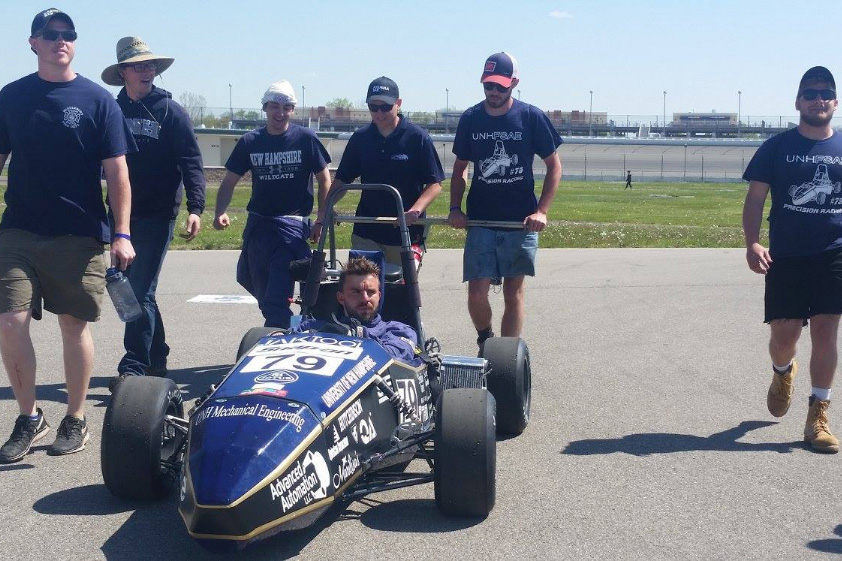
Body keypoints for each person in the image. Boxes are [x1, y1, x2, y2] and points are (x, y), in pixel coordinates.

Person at [0, 9, 135, 463]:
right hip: (18, 229)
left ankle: (75, 417)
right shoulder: (12, 97)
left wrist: (122, 232)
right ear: (33, 43)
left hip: (78, 233)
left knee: (73, 326)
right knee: (9, 321)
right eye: (51, 34)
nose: (61, 40)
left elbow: (117, 171)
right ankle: (29, 417)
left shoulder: (98, 101)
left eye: (68, 35)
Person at [742, 65, 842, 454]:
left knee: (826, 331)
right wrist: (753, 243)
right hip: (787, 255)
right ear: (798, 101)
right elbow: (755, 200)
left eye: (825, 93)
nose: (818, 99)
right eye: (811, 93)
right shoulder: (776, 147)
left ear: (835, 102)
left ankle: (819, 414)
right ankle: (783, 372)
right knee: (785, 338)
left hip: (834, 254)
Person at [101, 37, 206, 390]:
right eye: (138, 66)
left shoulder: (171, 112)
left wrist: (196, 208)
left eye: (151, 66)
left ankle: (133, 365)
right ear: (124, 73)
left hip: (160, 212)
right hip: (121, 215)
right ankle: (156, 355)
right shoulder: (112, 111)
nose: (147, 72)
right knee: (139, 289)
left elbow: (191, 162)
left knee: (138, 288)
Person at [448, 52, 562, 351]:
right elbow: (460, 169)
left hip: (519, 221)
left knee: (513, 293)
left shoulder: (530, 117)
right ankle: (486, 339)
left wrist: (542, 210)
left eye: (500, 86)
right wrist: (455, 209)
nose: (494, 93)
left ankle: (507, 355)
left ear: (514, 83)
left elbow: (554, 165)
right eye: (488, 86)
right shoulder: (471, 118)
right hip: (482, 219)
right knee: (476, 293)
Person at [214, 80, 331, 328]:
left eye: (286, 107)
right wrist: (220, 211)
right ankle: (287, 325)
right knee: (252, 280)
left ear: (292, 110)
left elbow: (325, 179)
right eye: (274, 106)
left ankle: (278, 333)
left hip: (291, 228)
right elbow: (229, 182)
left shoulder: (305, 139)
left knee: (276, 294)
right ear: (265, 108)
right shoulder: (250, 141)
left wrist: (321, 219)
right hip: (259, 227)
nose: (280, 113)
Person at [328, 77, 444, 267]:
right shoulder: (360, 138)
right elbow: (341, 181)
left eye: (385, 107)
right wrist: (325, 211)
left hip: (406, 233)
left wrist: (415, 211)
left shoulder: (417, 138)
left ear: (398, 104)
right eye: (374, 107)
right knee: (363, 290)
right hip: (366, 231)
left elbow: (435, 184)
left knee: (400, 293)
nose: (379, 113)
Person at [298, 257, 420, 364]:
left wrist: (355, 335)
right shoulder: (314, 327)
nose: (365, 298)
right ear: (341, 298)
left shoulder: (399, 330)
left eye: (371, 292)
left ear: (379, 296)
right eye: (356, 292)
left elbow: (392, 357)